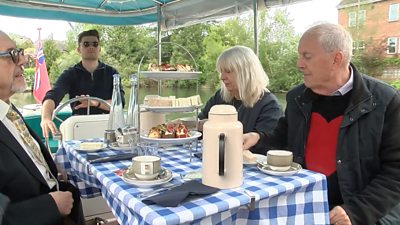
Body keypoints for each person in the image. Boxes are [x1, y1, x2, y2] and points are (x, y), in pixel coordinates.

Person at [243, 23, 400, 225]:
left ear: (337, 59)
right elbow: (280, 141)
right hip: (302, 204)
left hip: (365, 214)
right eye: (299, 56)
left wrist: (356, 212)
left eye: (307, 57)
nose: (299, 64)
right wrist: (257, 138)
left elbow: (396, 171)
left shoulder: (385, 100)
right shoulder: (297, 97)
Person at [0, 30, 84, 225]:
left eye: (20, 52)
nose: (23, 60)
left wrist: (50, 171)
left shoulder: (8, 110)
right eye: (12, 54)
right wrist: (50, 206)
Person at [198, 45, 283, 154]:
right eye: (221, 71)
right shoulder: (220, 96)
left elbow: (265, 145)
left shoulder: (269, 105)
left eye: (228, 71)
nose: (222, 77)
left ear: (245, 73)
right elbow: (200, 125)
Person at [41, 29, 125, 138]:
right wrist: (46, 118)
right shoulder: (70, 74)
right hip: (78, 127)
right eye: (86, 44)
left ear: (99, 49)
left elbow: (120, 103)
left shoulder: (112, 73)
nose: (91, 47)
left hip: (107, 127)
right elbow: (52, 96)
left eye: (95, 44)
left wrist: (93, 102)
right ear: (78, 49)